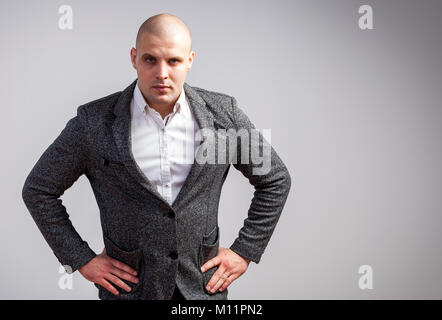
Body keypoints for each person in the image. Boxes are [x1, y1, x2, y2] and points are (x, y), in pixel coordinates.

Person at [22, 13, 291, 300]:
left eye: (173, 61)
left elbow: (275, 179)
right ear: (134, 58)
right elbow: (38, 189)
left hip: (202, 291)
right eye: (150, 59)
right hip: (130, 292)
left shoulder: (225, 115)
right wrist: (81, 259)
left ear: (189, 60)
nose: (162, 73)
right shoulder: (93, 122)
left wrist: (245, 251)